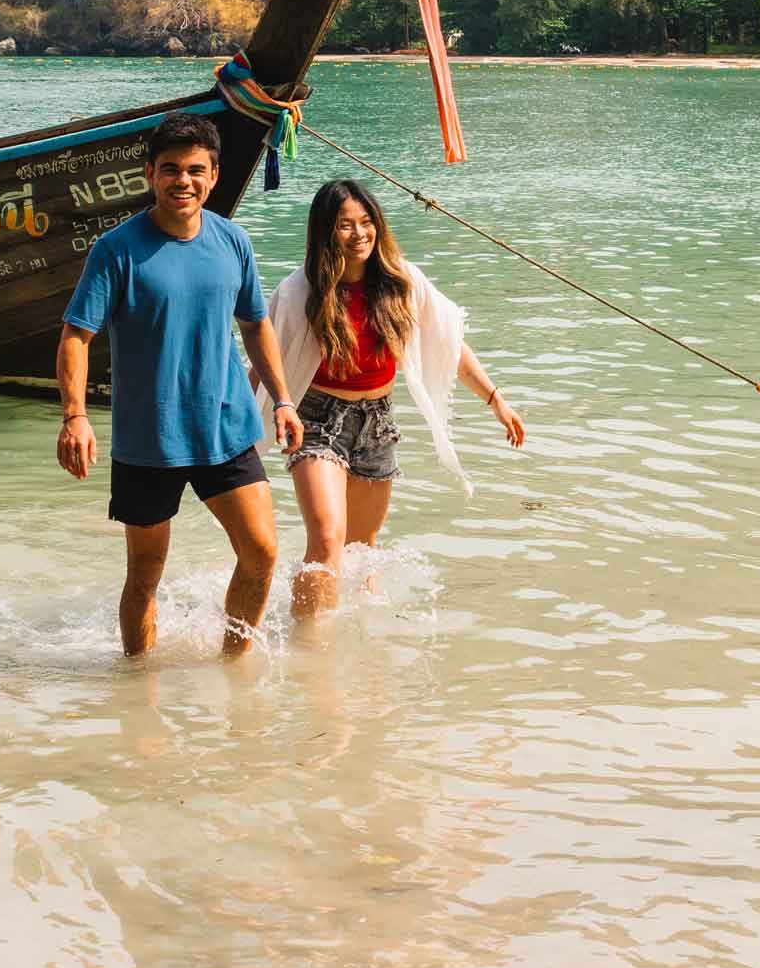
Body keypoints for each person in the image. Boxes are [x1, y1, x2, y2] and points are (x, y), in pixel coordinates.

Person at [56, 112, 300, 656]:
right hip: (149, 440)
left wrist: (283, 400)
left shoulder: (232, 240)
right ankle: (136, 689)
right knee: (145, 575)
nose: (182, 181)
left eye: (195, 170)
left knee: (261, 553)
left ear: (213, 175)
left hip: (225, 428)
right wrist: (74, 416)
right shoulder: (117, 250)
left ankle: (234, 665)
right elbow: (76, 337)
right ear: (149, 173)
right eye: (170, 169)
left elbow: (256, 322)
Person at [267, 177, 522, 612]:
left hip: (377, 421)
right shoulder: (299, 291)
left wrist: (495, 398)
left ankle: (362, 648)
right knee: (327, 540)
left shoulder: (401, 280)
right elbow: (265, 356)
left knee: (361, 549)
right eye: (345, 225)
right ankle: (309, 654)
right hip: (317, 421)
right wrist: (236, 413)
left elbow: (448, 343)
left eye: (366, 222)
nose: (359, 233)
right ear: (325, 231)